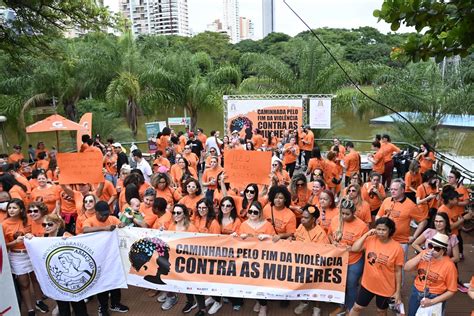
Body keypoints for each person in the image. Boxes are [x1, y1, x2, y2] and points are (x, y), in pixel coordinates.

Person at [2, 199, 49, 315]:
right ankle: (30, 309)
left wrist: (32, 235)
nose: (11, 210)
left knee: (36, 279)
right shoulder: (3, 225)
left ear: (21, 209)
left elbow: (40, 231)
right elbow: (3, 245)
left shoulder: (28, 219)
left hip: (32, 254)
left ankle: (38, 301)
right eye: (9, 208)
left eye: (14, 208)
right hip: (16, 256)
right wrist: (15, 242)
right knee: (24, 284)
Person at [349, 217, 403, 316]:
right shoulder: (370, 239)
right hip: (367, 284)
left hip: (385, 288)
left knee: (381, 311)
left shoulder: (397, 248)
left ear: (390, 230)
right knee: (357, 307)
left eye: (384, 230)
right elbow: (355, 248)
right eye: (378, 229)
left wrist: (397, 292)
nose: (381, 232)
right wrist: (366, 234)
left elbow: (398, 271)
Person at [82, 201, 128, 315]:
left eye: (106, 214)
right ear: (96, 212)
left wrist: (122, 225)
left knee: (115, 280)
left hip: (112, 256)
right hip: (98, 258)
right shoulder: (90, 220)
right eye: (102, 214)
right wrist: (104, 229)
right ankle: (103, 308)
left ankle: (115, 303)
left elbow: (121, 224)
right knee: (102, 283)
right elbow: (85, 230)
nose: (104, 217)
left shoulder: (112, 218)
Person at [42, 213, 89, 316]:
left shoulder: (65, 234)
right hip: (58, 275)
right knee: (62, 303)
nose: (46, 227)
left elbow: (78, 246)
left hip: (72, 276)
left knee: (77, 302)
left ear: (58, 224)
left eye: (50, 224)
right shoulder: (44, 237)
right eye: (44, 225)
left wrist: (70, 240)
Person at [328, 198, 368, 314]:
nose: (344, 216)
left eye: (347, 214)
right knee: (340, 284)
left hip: (354, 260)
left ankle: (351, 309)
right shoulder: (335, 220)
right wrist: (333, 242)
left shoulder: (362, 226)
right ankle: (341, 305)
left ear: (354, 212)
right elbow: (330, 234)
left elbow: (366, 245)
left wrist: (352, 248)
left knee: (351, 285)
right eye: (342, 213)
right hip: (338, 260)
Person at [405, 233, 457, 316]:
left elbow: (452, 290)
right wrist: (419, 257)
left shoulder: (449, 265)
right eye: (430, 246)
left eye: (436, 248)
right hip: (417, 292)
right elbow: (406, 268)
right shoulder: (424, 253)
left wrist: (432, 301)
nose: (432, 250)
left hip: (435, 296)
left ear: (443, 250)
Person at [445, 169, 470, 260]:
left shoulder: (462, 188)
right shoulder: (447, 187)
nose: (449, 179)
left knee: (457, 234)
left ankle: (460, 252)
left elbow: (466, 202)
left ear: (457, 179)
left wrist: (455, 203)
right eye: (448, 177)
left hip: (458, 214)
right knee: (448, 232)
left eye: (451, 177)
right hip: (448, 213)